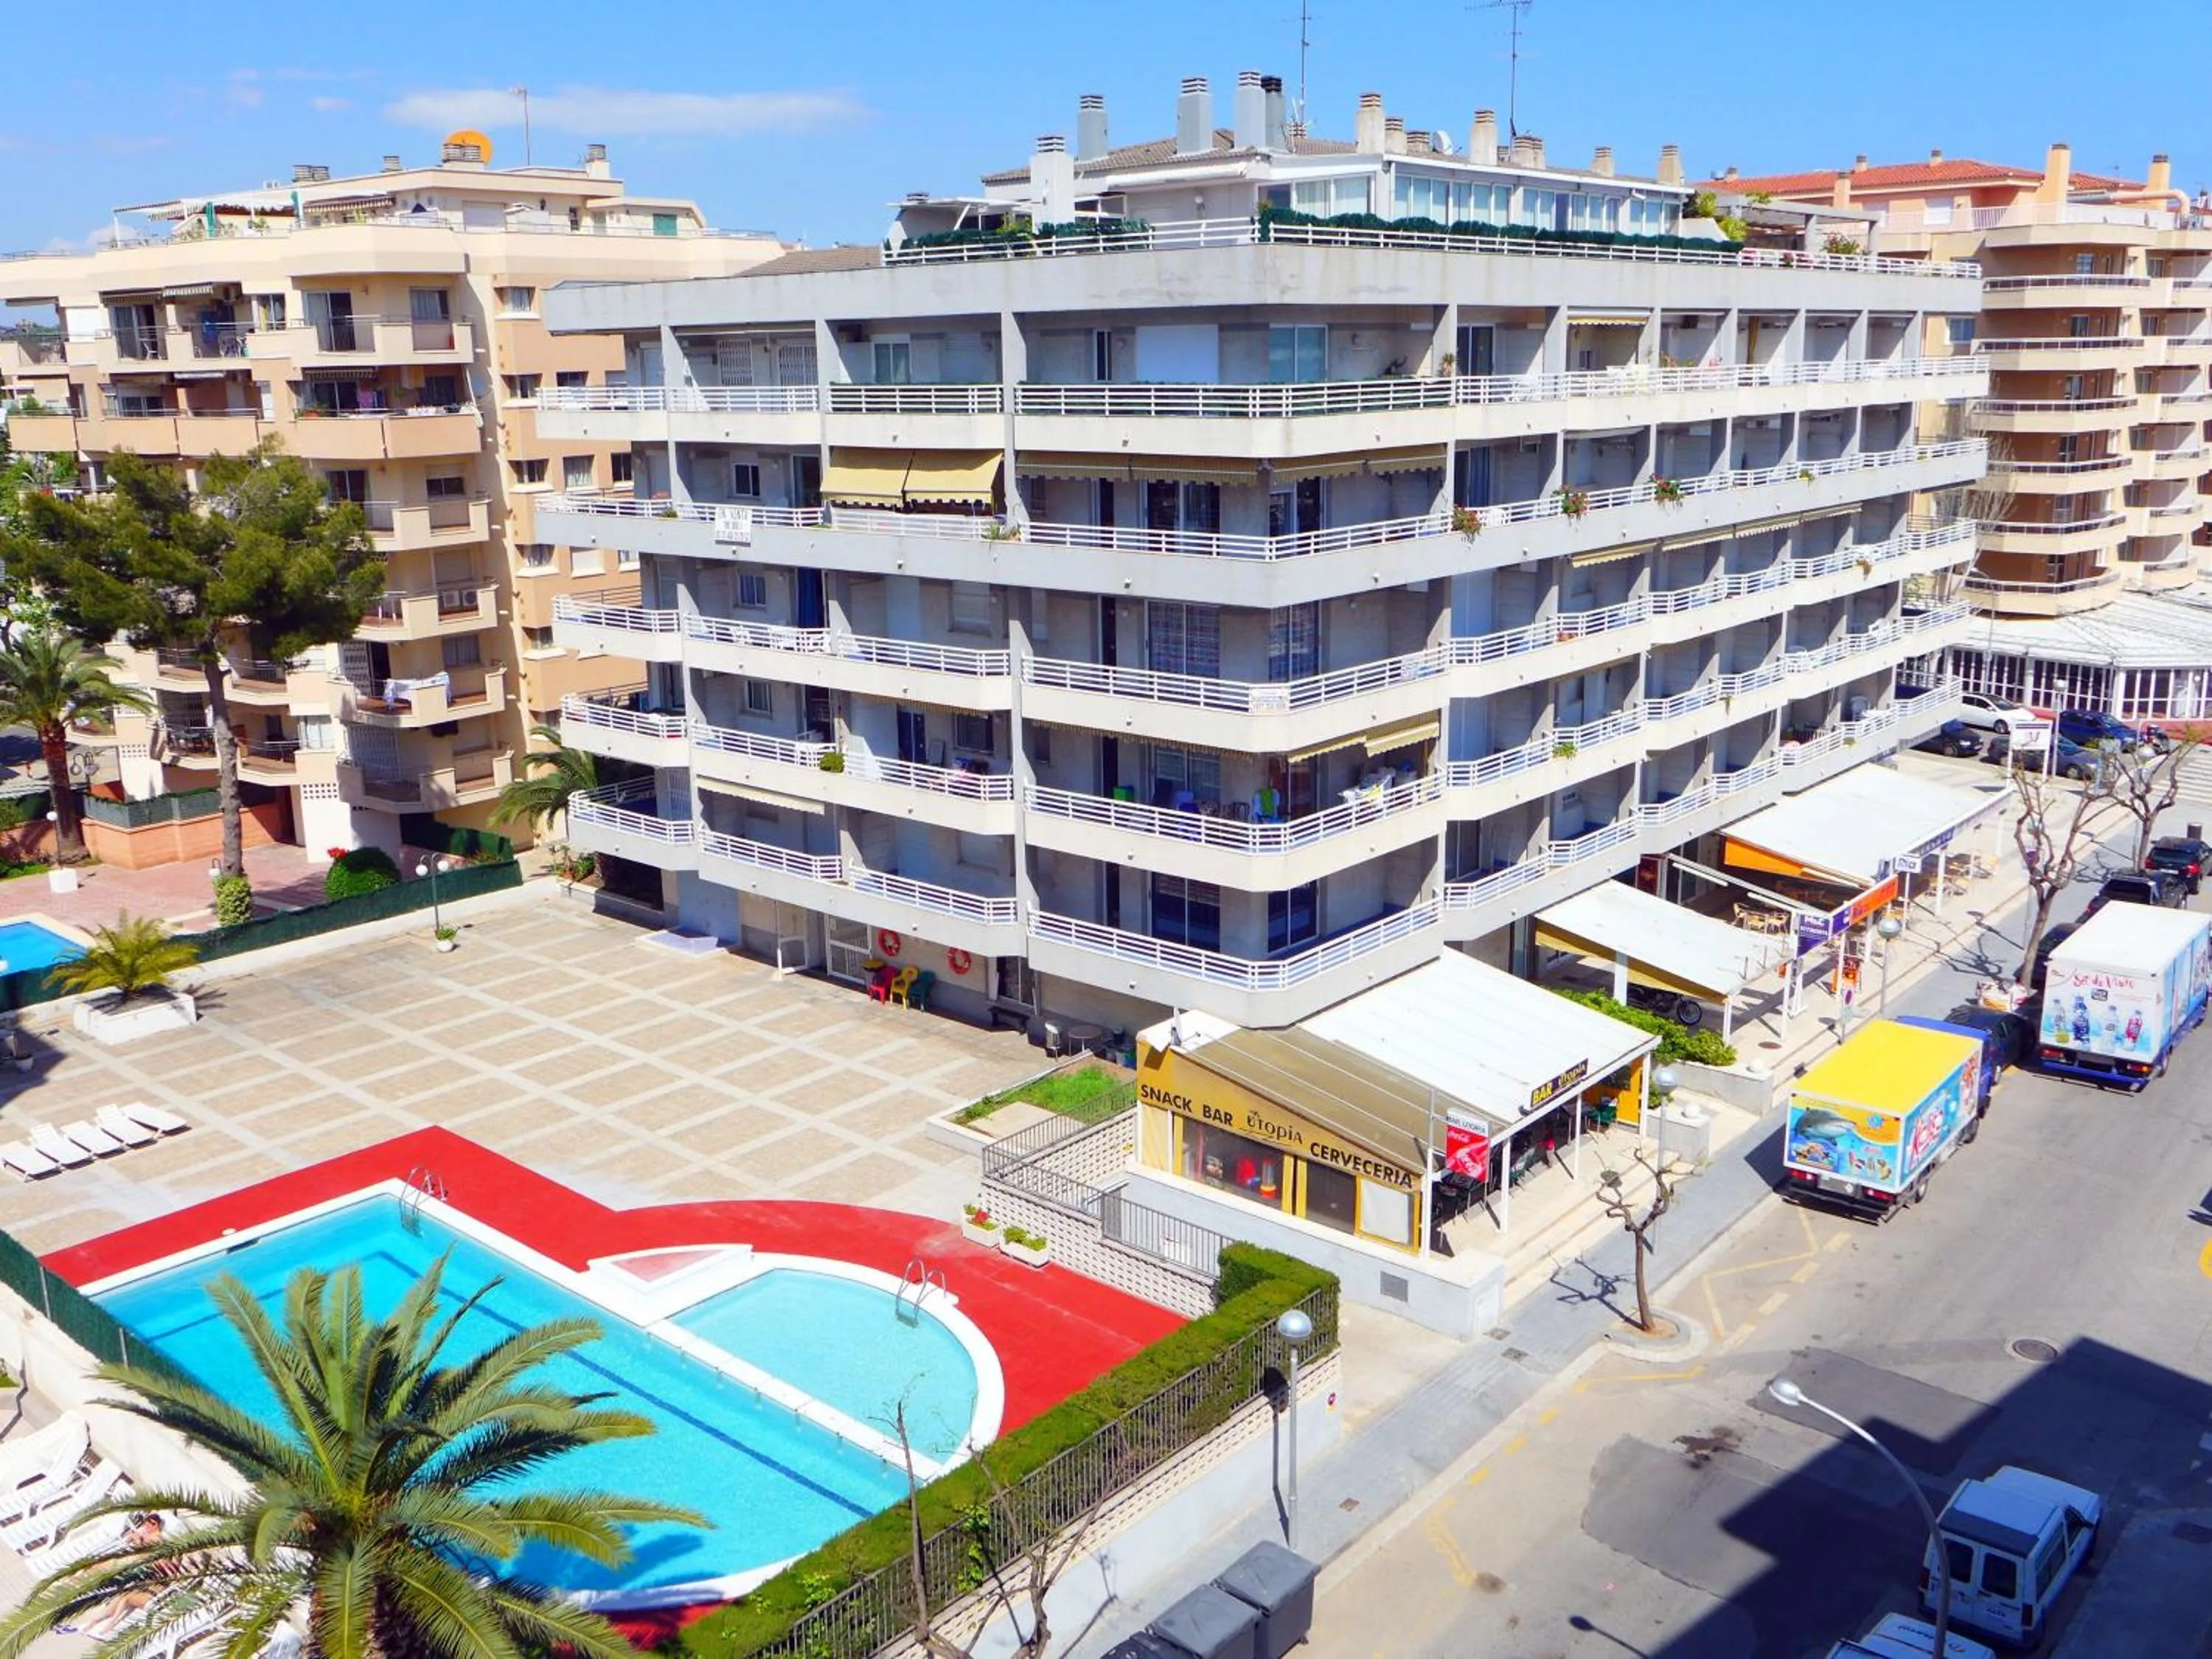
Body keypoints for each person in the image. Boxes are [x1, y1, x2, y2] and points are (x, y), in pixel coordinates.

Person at [60, 1513, 181, 1636]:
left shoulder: (158, 1539)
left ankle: (103, 1625)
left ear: (158, 1525)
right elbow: (127, 1542)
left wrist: (139, 1540)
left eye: (153, 1524)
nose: (149, 1525)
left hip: (136, 1570)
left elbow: (151, 1554)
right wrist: (132, 1537)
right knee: (96, 1568)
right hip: (131, 1566)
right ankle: (89, 1623)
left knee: (121, 1595)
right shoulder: (144, 1533)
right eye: (147, 1522)